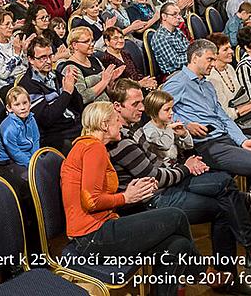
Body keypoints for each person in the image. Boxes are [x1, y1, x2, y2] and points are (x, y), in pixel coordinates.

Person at [107, 81, 251, 290]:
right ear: (117, 106)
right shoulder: (119, 139)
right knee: (225, 205)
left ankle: (248, 254)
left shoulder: (131, 128)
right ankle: (246, 257)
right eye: (135, 104)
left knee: (225, 185)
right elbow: (154, 177)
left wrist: (183, 164)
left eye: (141, 102)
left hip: (169, 181)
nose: (141, 108)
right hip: (154, 198)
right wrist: (186, 168)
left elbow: (158, 164)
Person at [60, 100, 203, 296]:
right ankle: (201, 272)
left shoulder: (89, 147)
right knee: (176, 216)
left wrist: (134, 191)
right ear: (104, 125)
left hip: (99, 229)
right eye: (116, 120)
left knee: (179, 246)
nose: (121, 124)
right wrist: (126, 198)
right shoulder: (93, 148)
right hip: (92, 237)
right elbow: (91, 201)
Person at [162, 40, 251, 227]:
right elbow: (157, 111)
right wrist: (185, 125)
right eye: (209, 59)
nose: (213, 63)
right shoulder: (177, 83)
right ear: (194, 57)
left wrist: (242, 141)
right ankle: (250, 225)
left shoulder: (207, 85)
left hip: (226, 137)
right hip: (207, 145)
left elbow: (223, 117)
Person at [0, 86, 39, 181]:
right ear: (9, 108)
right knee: (30, 177)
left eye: (25, 103)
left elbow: (36, 139)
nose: (22, 107)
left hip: (27, 154)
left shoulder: (31, 118)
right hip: (8, 161)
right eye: (17, 105)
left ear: (30, 103)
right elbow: (14, 152)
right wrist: (31, 163)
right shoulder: (8, 128)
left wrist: (35, 159)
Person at [0, 10, 27, 92]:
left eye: (12, 24)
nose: (11, 27)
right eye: (7, 24)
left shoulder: (12, 41)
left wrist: (24, 51)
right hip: (2, 87)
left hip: (19, 80)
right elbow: (3, 74)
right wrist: (17, 54)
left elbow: (24, 66)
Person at [149, 3, 190, 76]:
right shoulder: (160, 37)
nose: (179, 18)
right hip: (175, 74)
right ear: (164, 16)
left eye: (179, 14)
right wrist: (195, 57)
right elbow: (176, 62)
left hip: (187, 67)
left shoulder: (178, 31)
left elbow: (188, 49)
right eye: (174, 14)